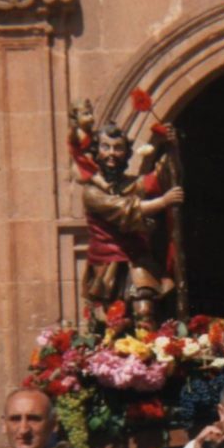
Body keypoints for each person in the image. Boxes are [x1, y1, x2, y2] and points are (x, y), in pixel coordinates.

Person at [81, 121, 184, 325]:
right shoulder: (92, 192)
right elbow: (126, 209)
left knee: (145, 311)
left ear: (127, 153)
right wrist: (163, 202)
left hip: (137, 260)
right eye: (106, 147)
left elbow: (164, 176)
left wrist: (171, 148)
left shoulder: (133, 184)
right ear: (96, 152)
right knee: (116, 321)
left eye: (118, 148)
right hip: (108, 267)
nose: (112, 154)